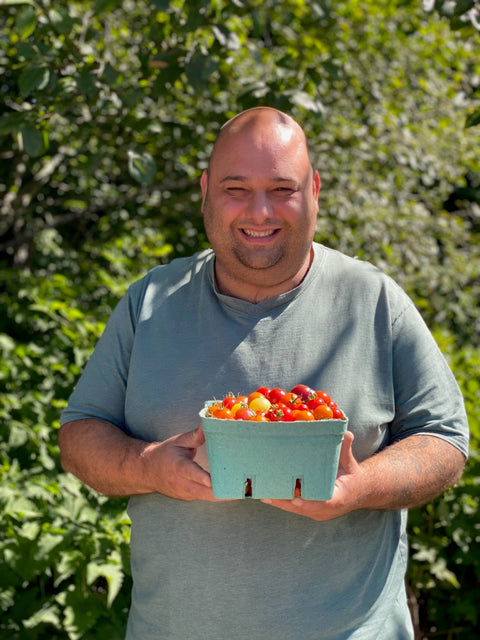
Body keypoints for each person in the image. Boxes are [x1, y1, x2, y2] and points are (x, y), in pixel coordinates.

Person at [58, 107, 469, 640]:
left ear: (314, 190)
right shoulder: (150, 302)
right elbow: (79, 434)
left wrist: (359, 486)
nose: (260, 211)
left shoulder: (373, 300)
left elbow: (444, 439)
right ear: (205, 189)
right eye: (236, 188)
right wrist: (149, 466)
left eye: (282, 188)